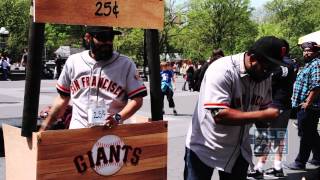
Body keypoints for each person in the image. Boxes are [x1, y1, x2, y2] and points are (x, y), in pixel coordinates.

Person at [184, 36, 288, 180]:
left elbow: (263, 111)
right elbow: (219, 114)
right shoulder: (222, 70)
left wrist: (268, 129)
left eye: (273, 68)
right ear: (252, 58)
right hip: (205, 146)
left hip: (238, 150)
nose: (270, 72)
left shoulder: (264, 77)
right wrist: (263, 115)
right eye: (268, 67)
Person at [39, 26, 147, 131]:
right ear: (88, 37)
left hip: (111, 132)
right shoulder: (73, 61)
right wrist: (45, 127)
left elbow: (137, 100)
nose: (107, 42)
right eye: (102, 37)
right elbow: (62, 99)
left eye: (110, 38)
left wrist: (117, 118)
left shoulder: (125, 64)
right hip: (78, 130)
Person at [248, 39, 297, 179]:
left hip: (272, 104)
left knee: (266, 136)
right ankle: (277, 166)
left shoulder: (276, 65)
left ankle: (259, 168)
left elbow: (265, 81)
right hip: (285, 104)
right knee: (279, 136)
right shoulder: (292, 64)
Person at [285, 41, 320, 170]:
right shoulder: (309, 64)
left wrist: (308, 103)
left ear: (316, 52)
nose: (306, 53)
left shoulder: (316, 64)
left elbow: (317, 86)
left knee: (305, 135)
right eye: (304, 50)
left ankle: (300, 162)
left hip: (309, 107)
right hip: (305, 105)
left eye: (309, 51)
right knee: (311, 133)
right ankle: (318, 157)